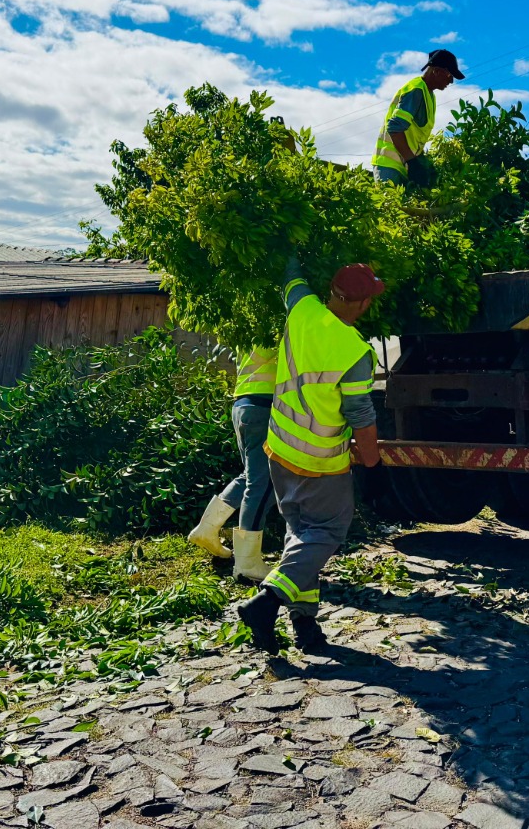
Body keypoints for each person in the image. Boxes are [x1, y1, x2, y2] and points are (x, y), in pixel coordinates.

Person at [236, 259, 383, 654]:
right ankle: (266, 604)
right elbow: (360, 415)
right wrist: (372, 459)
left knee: (299, 537)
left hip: (279, 451)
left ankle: (306, 627)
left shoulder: (302, 309)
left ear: (333, 292)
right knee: (326, 533)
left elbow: (290, 275)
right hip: (320, 463)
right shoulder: (354, 351)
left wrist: (289, 242)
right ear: (364, 304)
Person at [186, 344, 278, 582]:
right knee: (262, 482)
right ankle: (248, 563)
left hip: (243, 403)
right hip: (264, 405)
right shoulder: (278, 321)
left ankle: (207, 528)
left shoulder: (249, 322)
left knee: (250, 476)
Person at [370, 48, 464, 184]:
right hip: (389, 165)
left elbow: (415, 138)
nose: (451, 82)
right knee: (389, 204)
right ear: (437, 71)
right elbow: (394, 128)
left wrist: (424, 164)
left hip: (402, 166)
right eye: (450, 75)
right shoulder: (416, 91)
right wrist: (413, 162)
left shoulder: (429, 95)